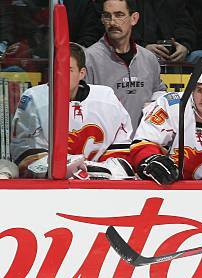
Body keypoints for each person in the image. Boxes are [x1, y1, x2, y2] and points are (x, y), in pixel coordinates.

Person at [10, 43, 133, 179]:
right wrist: (64, 169)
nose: (60, 74)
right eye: (56, 68)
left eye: (67, 70)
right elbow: (23, 152)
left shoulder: (106, 98)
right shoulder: (33, 98)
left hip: (99, 184)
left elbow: (122, 148)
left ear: (82, 73)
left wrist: (100, 171)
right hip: (52, 183)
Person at [130, 62, 202, 183]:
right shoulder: (170, 105)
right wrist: (150, 159)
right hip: (166, 185)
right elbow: (142, 143)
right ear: (192, 91)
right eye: (199, 90)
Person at [86, 0, 167, 134]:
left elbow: (159, 93)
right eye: (107, 16)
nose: (112, 22)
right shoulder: (89, 58)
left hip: (144, 143)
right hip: (106, 146)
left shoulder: (149, 58)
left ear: (134, 18)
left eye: (119, 15)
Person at [130, 0, 202, 65]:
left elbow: (185, 25)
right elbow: (121, 32)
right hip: (138, 52)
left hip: (173, 55)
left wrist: (185, 46)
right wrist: (144, 48)